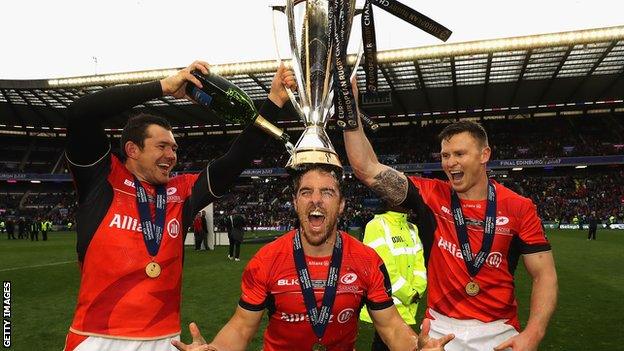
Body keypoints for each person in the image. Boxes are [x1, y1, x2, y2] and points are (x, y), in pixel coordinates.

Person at [62, 61, 296, 351]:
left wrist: (272, 103)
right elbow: (80, 113)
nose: (172, 155)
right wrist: (163, 86)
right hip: (96, 338)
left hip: (165, 340)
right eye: (162, 146)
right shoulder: (101, 178)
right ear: (132, 150)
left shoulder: (182, 191)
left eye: (174, 148)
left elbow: (233, 161)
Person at [342, 88, 558, 351]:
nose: (450, 163)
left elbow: (544, 274)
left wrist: (533, 333)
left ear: (484, 155)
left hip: (498, 331)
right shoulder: (431, 195)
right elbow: (366, 168)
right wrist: (349, 108)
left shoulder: (519, 207)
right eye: (445, 156)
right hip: (440, 331)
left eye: (459, 154)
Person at [172, 165, 454, 351]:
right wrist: (214, 350)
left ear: (341, 205)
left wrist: (417, 348)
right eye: (306, 192)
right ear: (295, 203)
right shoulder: (266, 260)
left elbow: (391, 327)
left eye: (327, 193)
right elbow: (242, 326)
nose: (316, 200)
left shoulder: (367, 260)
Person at [359, 205, 427, 351]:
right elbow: (384, 270)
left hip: (408, 310)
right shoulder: (376, 225)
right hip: (385, 310)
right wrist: (410, 294)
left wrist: (418, 291)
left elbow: (420, 266)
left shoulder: (412, 228)